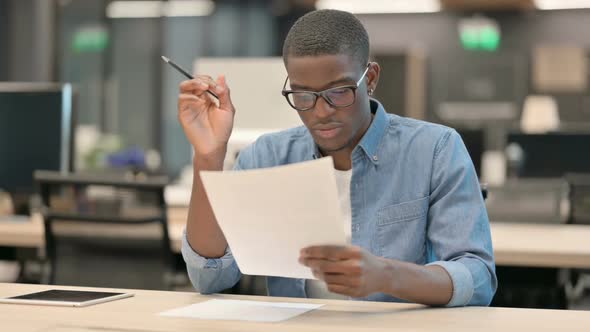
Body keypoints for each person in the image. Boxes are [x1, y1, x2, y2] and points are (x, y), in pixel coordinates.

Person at [177, 9, 496, 307]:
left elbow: (478, 277)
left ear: (369, 79)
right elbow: (210, 277)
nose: (321, 111)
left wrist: (388, 275)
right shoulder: (268, 157)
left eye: (339, 91)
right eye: (303, 95)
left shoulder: (434, 150)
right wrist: (209, 157)